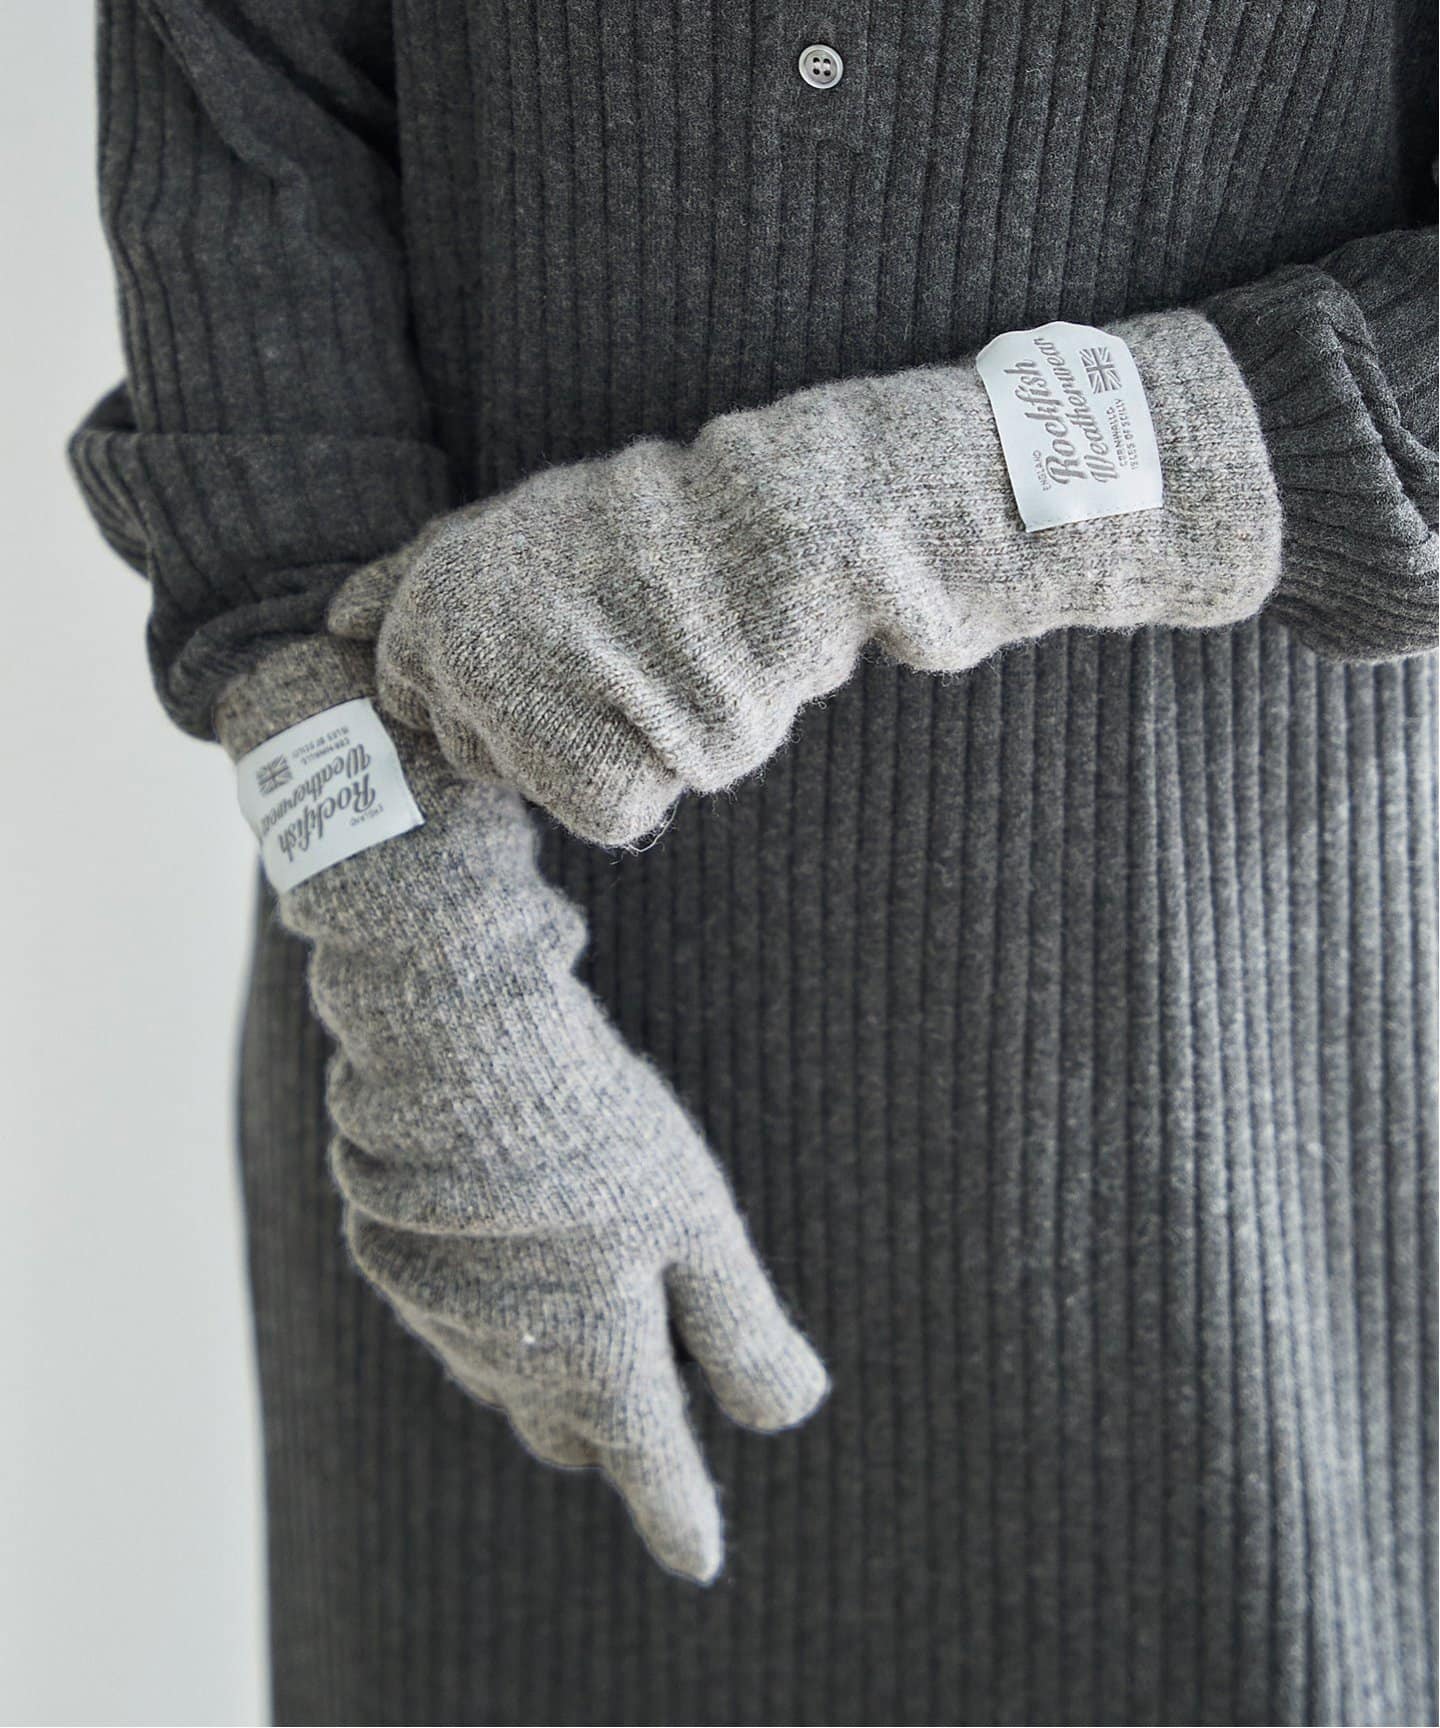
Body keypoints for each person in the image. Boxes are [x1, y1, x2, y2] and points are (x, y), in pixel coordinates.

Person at [70, 1, 1437, 1722]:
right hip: (494, 1140)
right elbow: (243, 250)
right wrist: (432, 974)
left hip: (1215, 1108)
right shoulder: (457, 1060)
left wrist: (887, 508)